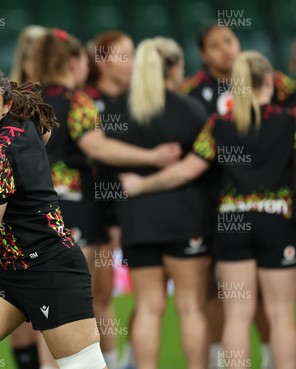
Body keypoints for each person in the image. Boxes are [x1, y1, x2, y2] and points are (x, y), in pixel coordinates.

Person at [120, 50, 296, 369]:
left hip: (231, 224)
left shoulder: (219, 125)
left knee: (237, 316)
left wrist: (143, 185)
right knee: (282, 314)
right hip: (277, 221)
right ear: (270, 80)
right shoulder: (289, 122)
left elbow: (187, 169)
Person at [0, 63, 108, 369]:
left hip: (50, 270)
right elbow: (45, 135)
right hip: (4, 272)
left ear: (6, 103)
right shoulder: (23, 120)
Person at [31, 28, 183, 369]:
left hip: (36, 213)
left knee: (49, 310)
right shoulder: (77, 99)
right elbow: (96, 146)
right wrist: (152, 157)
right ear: (73, 62)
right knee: (84, 304)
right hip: (75, 212)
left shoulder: (26, 100)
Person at [111, 38, 214, 369]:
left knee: (148, 307)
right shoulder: (192, 110)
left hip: (138, 221)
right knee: (191, 307)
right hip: (186, 219)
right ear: (173, 68)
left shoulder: (117, 110)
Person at [84, 30, 134, 369]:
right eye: (123, 55)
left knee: (140, 297)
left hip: (138, 211)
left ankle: (120, 362)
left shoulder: (139, 101)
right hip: (93, 213)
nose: (131, 63)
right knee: (90, 298)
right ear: (101, 60)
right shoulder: (84, 102)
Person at [8, 23, 50, 369]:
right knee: (16, 297)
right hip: (13, 204)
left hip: (51, 200)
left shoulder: (60, 94)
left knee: (46, 293)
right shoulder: (8, 97)